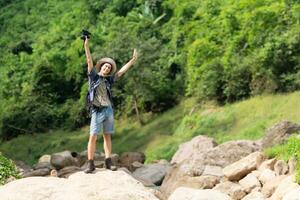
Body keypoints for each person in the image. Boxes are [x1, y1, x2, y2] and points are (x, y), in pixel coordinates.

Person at [83, 36, 138, 173]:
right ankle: (90, 164)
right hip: (97, 110)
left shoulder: (109, 80)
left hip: (108, 110)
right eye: (105, 66)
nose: (107, 68)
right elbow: (89, 60)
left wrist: (132, 60)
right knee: (93, 136)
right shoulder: (93, 76)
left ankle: (108, 162)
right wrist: (86, 45)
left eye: (109, 67)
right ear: (101, 67)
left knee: (107, 135)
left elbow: (121, 71)